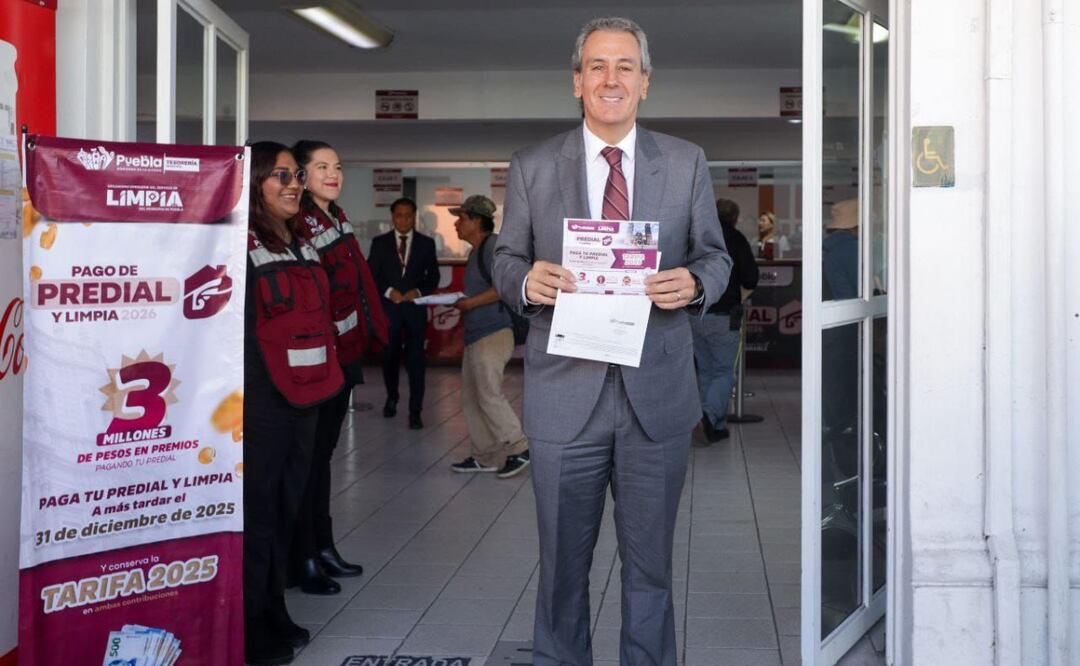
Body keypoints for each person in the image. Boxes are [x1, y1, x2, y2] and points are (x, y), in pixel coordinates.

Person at [491, 17, 732, 665]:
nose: (611, 79)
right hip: (564, 396)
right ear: (576, 81)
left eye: (625, 66)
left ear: (646, 83)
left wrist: (695, 282)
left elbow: (717, 255)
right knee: (561, 571)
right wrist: (523, 278)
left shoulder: (684, 163)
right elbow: (504, 253)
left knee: (650, 571)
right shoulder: (534, 166)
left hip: (656, 395)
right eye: (597, 66)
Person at [243, 141, 345, 665]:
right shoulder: (240, 246)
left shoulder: (302, 241)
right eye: (280, 176)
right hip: (261, 405)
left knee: (285, 508)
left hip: (307, 399)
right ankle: (250, 625)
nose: (293, 185)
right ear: (255, 181)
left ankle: (274, 607)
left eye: (295, 176)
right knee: (257, 516)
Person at [289, 140, 389, 595]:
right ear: (302, 176)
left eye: (338, 165)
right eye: (322, 166)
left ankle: (321, 544)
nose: (334, 173)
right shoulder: (301, 222)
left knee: (322, 459)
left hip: (342, 356)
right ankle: (302, 554)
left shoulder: (336, 215)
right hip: (319, 360)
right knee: (307, 462)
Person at [448, 195, 531, 478]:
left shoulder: (493, 247)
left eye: (461, 218)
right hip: (476, 335)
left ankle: (520, 448)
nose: (457, 224)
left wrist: (469, 304)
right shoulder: (476, 251)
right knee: (472, 397)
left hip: (493, 332)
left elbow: (502, 288)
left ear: (476, 221)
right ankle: (485, 456)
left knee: (488, 393)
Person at [367, 197, 440, 429]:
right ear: (392, 217)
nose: (404, 219)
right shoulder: (379, 243)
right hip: (390, 312)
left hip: (415, 312)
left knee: (416, 361)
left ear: (414, 217)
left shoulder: (426, 244)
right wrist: (389, 292)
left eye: (408, 215)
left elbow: (434, 277)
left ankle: (415, 411)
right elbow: (372, 276)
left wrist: (418, 291)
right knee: (389, 359)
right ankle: (392, 396)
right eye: (399, 215)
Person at [691, 198, 760, 443]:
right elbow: (751, 278)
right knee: (723, 371)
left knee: (704, 371)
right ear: (734, 218)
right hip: (724, 316)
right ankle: (709, 417)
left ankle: (714, 424)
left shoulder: (695, 237)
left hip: (693, 314)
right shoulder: (737, 239)